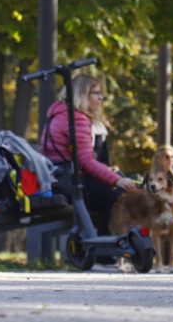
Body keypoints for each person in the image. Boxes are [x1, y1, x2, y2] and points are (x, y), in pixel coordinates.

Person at [39, 73, 137, 237]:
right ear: (83, 94)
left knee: (119, 185)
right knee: (123, 198)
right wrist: (117, 180)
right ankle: (106, 252)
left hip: (58, 179)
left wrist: (108, 172)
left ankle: (107, 249)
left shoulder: (58, 113)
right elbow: (85, 161)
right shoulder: (77, 118)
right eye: (96, 93)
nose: (101, 98)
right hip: (71, 184)